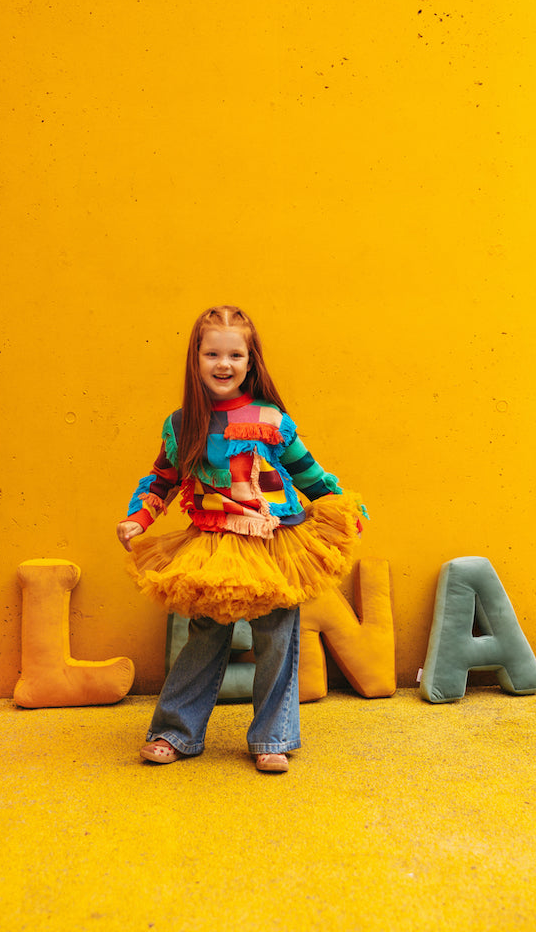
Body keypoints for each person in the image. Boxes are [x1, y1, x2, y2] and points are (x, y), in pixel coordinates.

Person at [117, 305, 366, 773]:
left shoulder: (268, 417)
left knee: (277, 637)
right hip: (214, 541)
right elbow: (162, 478)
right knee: (207, 634)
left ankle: (273, 736)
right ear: (196, 359)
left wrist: (338, 507)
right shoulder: (181, 423)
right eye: (212, 353)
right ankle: (176, 732)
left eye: (235, 355)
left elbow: (306, 471)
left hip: (274, 539)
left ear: (251, 362)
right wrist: (138, 518)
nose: (223, 364)